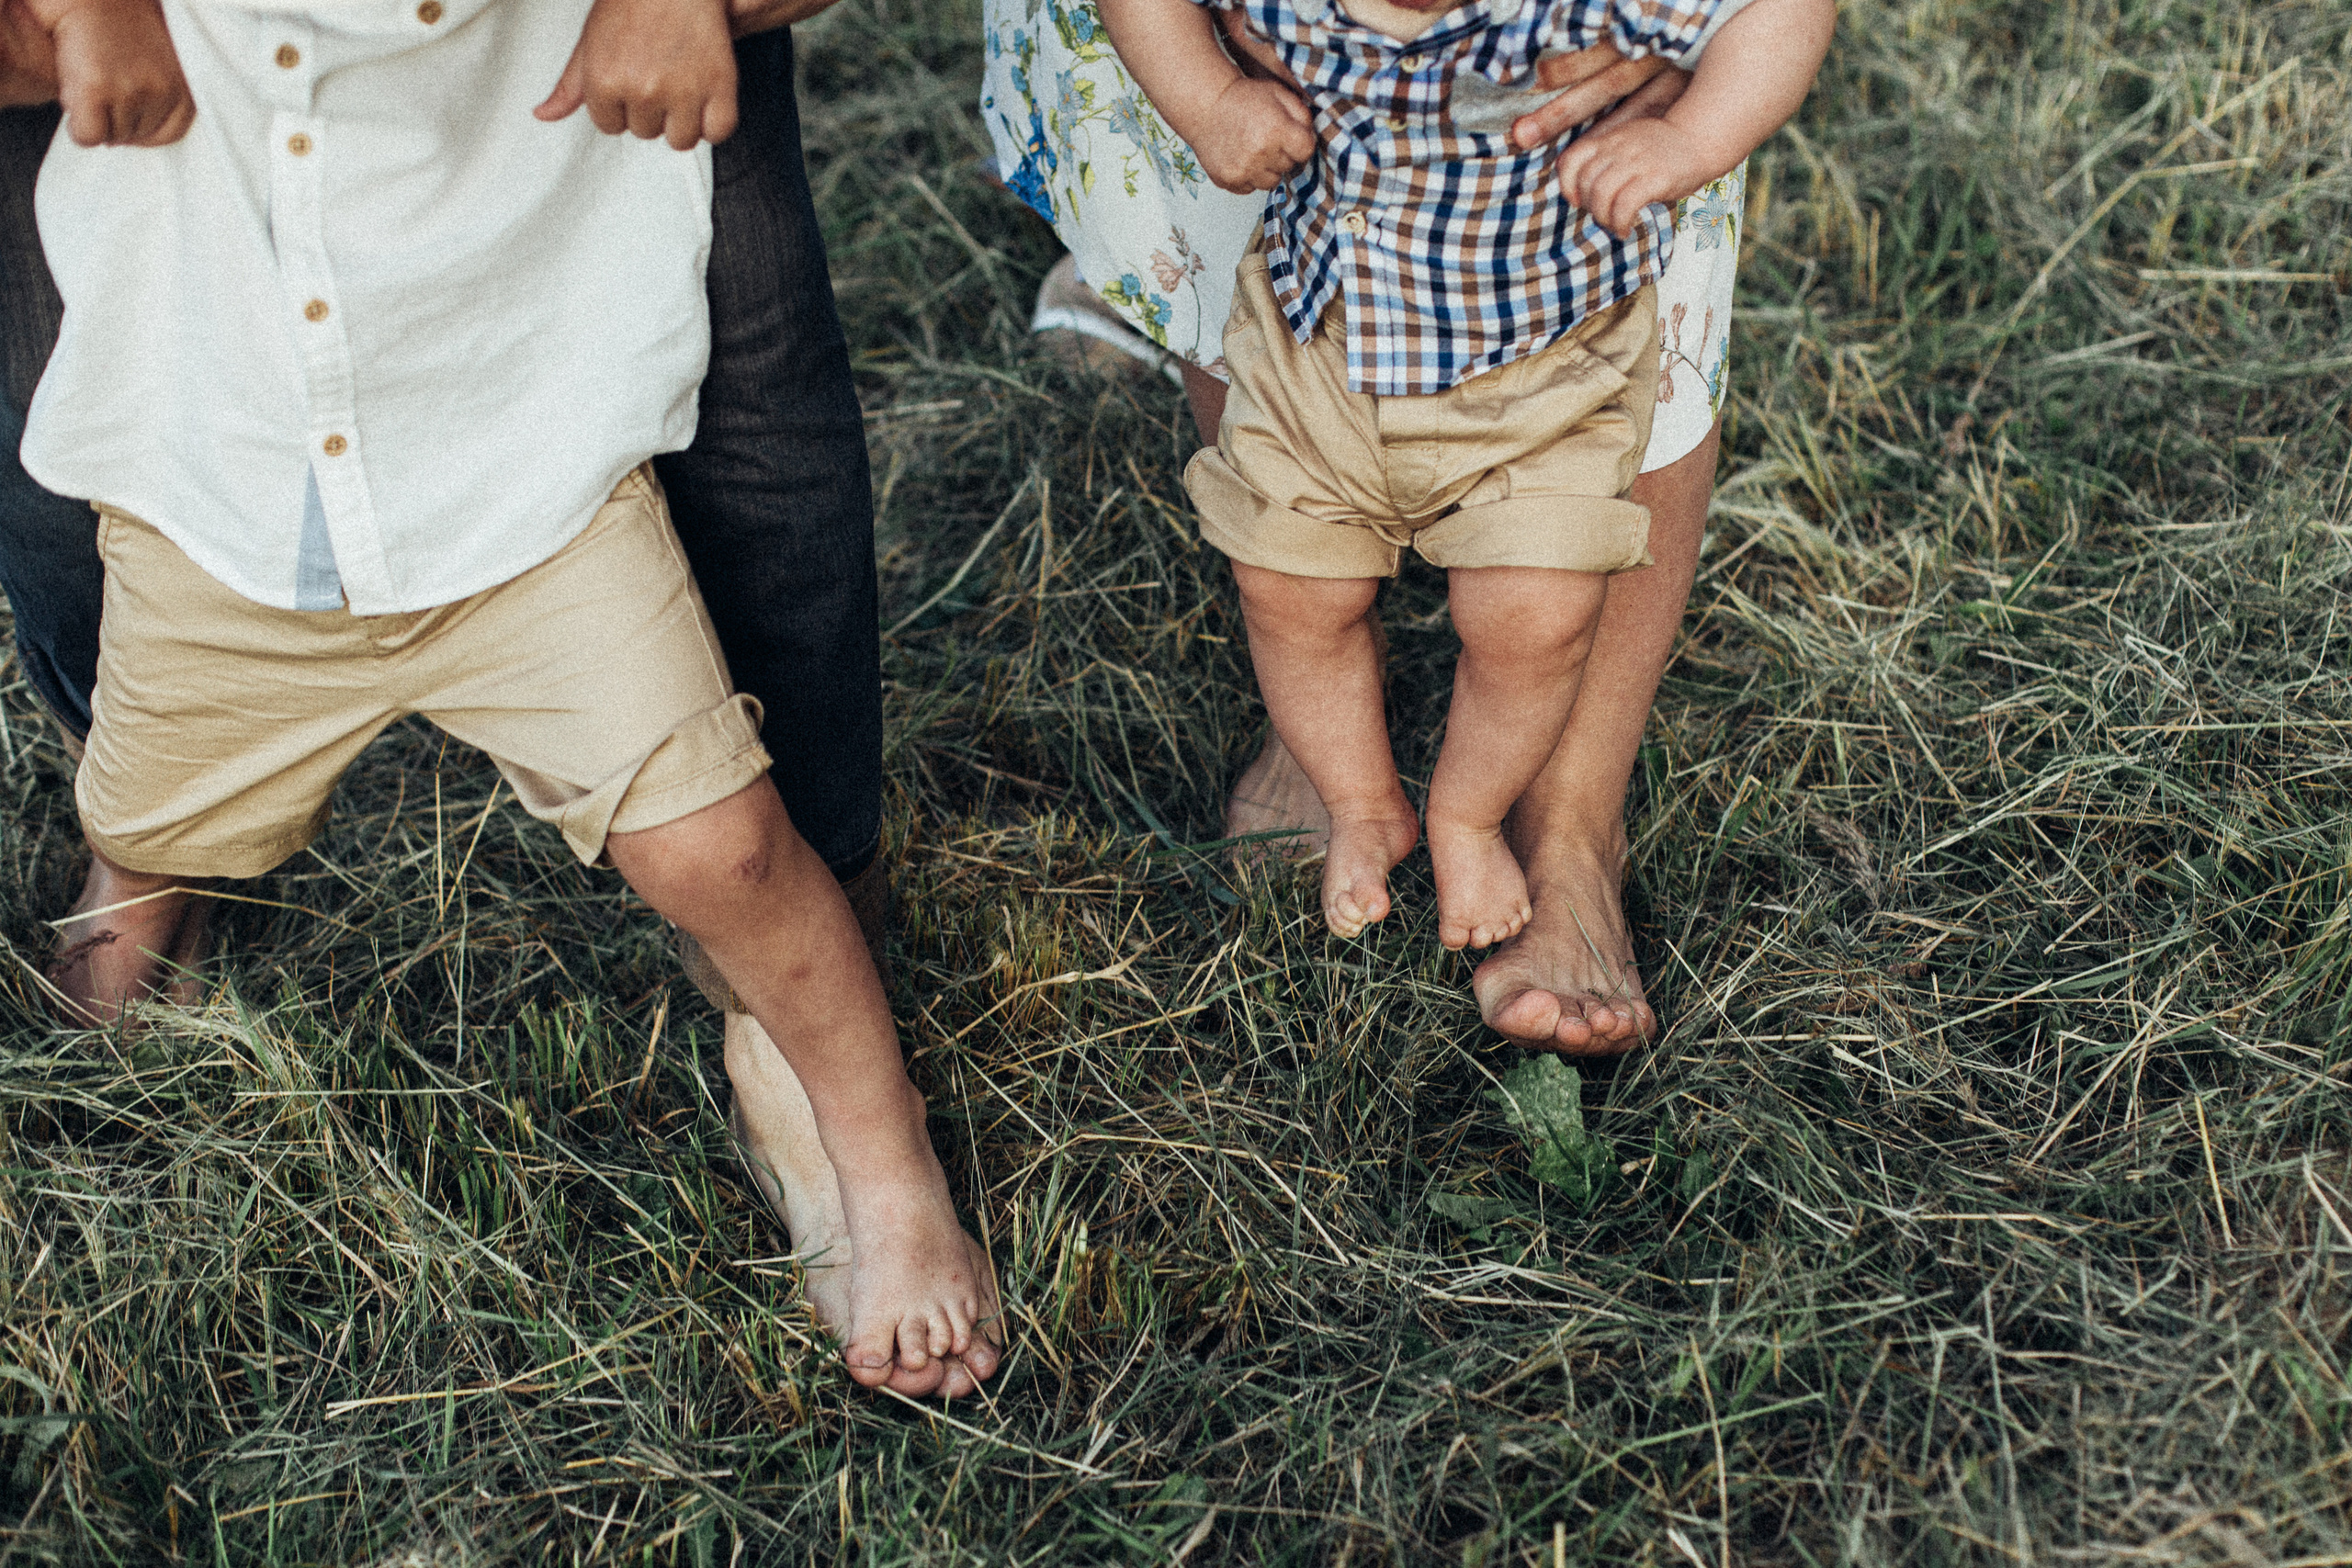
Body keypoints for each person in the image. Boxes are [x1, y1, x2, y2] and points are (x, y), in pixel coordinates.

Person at [11, 0, 999, 1397]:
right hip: (215, 512)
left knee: (725, 845)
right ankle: (94, 1028)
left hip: (532, 499)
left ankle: (881, 1150)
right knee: (144, 827)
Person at [982, 5, 1753, 1054]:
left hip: (1548, 350)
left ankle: (1498, 815)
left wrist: (1694, 133)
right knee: (1291, 584)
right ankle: (1356, 791)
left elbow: (1771, 9)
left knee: (1534, 612)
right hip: (1311, 338)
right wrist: (1207, 98)